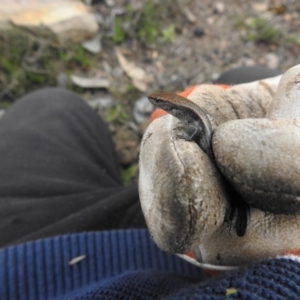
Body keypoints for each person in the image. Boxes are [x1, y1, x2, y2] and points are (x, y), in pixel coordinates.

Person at [2, 66, 299, 300]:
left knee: (51, 106)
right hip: (177, 241)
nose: (156, 103)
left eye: (159, 104)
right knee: (245, 76)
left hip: (39, 268)